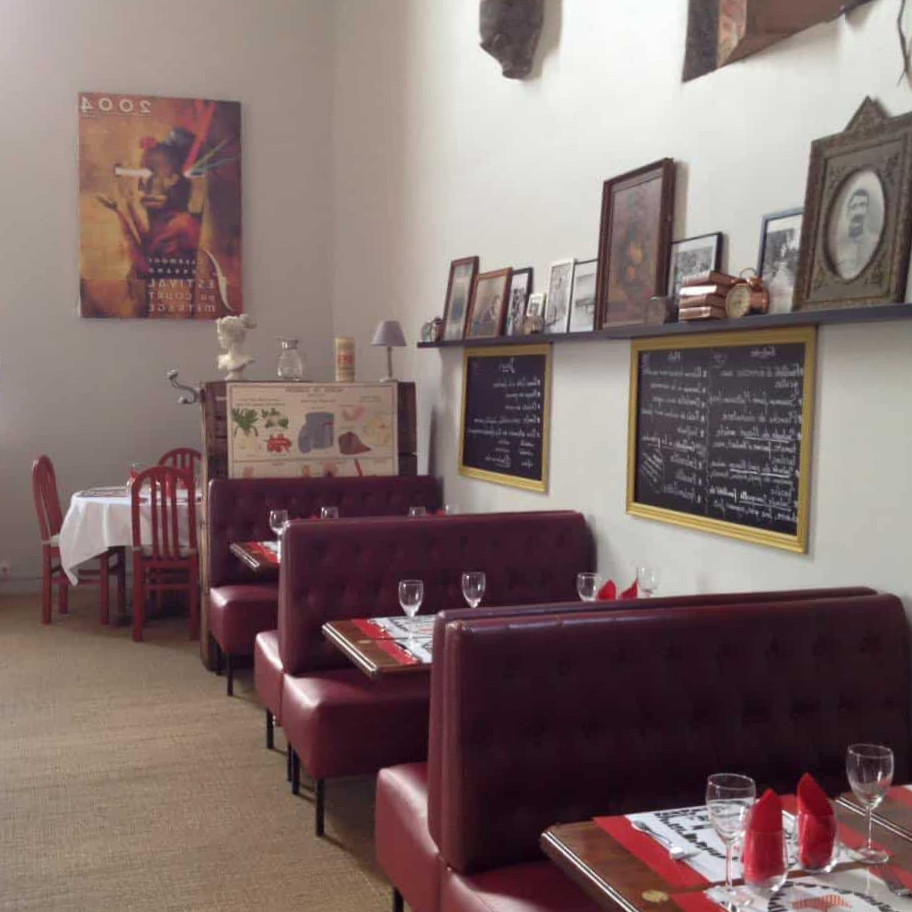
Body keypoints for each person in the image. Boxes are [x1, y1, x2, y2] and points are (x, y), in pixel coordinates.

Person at [832, 187, 881, 280]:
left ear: (868, 210)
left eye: (862, 205)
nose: (858, 212)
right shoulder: (840, 247)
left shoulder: (876, 241)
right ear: (849, 213)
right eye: (854, 207)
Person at [216, 314, 257, 380]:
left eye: (222, 335)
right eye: (219, 335)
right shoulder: (223, 359)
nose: (219, 338)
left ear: (232, 336)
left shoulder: (245, 360)